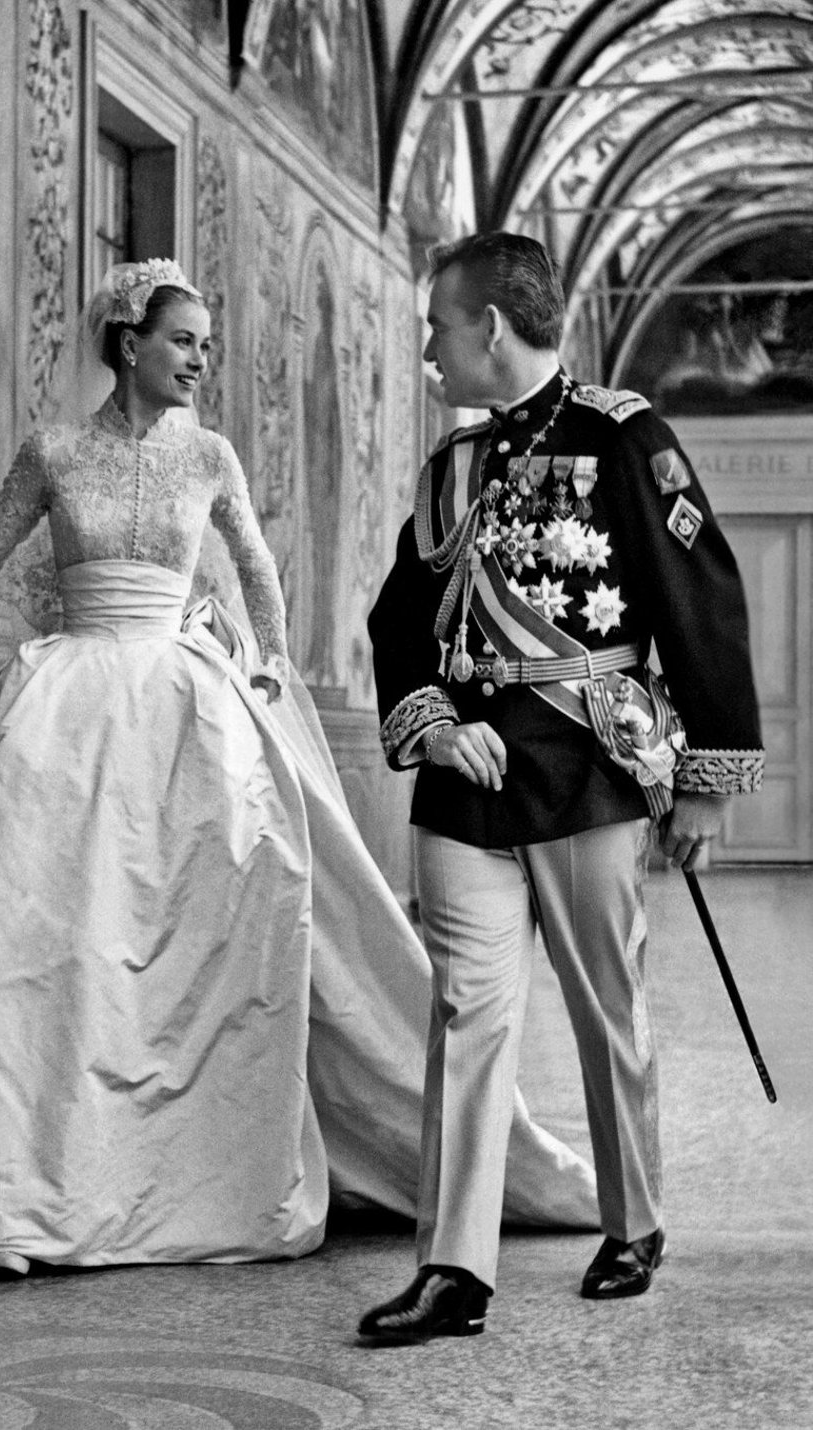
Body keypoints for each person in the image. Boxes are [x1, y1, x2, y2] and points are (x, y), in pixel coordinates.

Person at [0, 257, 600, 1279]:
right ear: (127, 342)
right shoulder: (51, 451)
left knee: (197, 928)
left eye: (208, 346)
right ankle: (25, 1185)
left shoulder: (210, 454)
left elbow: (258, 568)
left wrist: (267, 665)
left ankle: (185, 1175)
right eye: (183, 341)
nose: (199, 360)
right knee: (42, 930)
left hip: (184, 703)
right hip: (66, 704)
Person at [359, 232, 764, 1342]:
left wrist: (709, 780)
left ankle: (633, 1220)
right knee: (463, 1013)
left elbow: (701, 596)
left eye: (439, 323)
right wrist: (432, 722)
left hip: (587, 766)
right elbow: (402, 617)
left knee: (607, 1006)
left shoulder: (621, 437)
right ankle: (453, 1267)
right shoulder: (449, 466)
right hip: (467, 780)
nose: (429, 346)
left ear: (490, 324)